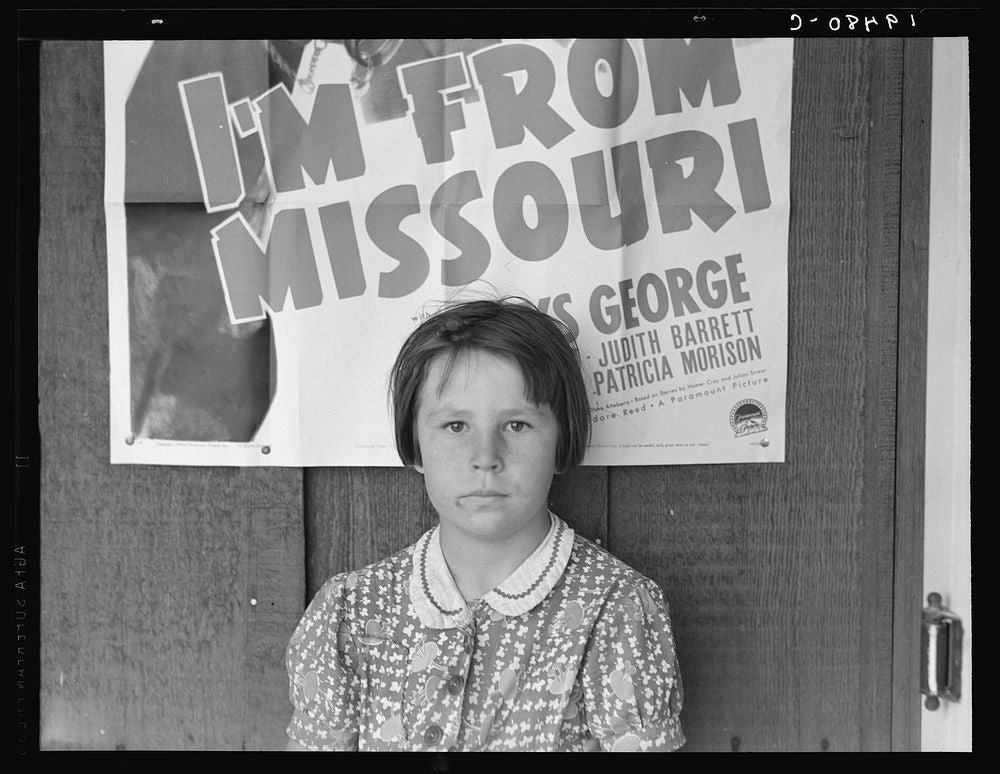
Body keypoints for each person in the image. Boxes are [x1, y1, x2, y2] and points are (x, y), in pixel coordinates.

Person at [284, 297, 684, 751]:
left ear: (562, 440)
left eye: (517, 425)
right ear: (414, 446)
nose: (486, 458)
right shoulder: (351, 611)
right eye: (455, 426)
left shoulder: (616, 610)